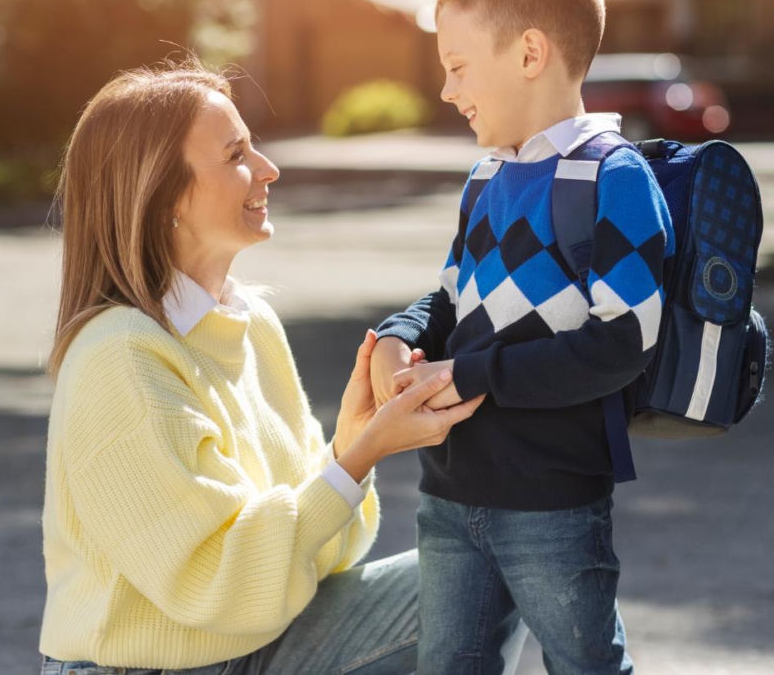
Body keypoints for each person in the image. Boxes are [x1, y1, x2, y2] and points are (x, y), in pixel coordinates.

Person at [38, 61, 483, 675]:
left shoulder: (249, 323)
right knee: (476, 583)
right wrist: (356, 461)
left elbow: (322, 560)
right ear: (164, 194)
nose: (269, 169)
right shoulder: (121, 358)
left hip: (255, 643)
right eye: (236, 154)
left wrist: (348, 449)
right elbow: (213, 584)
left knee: (490, 570)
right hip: (153, 667)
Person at [370, 0, 675, 674]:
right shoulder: (485, 178)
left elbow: (622, 342)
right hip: (449, 495)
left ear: (531, 53)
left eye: (459, 65)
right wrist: (399, 332)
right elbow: (449, 296)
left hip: (552, 502)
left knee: (584, 665)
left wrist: (469, 373)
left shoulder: (613, 176)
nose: (446, 89)